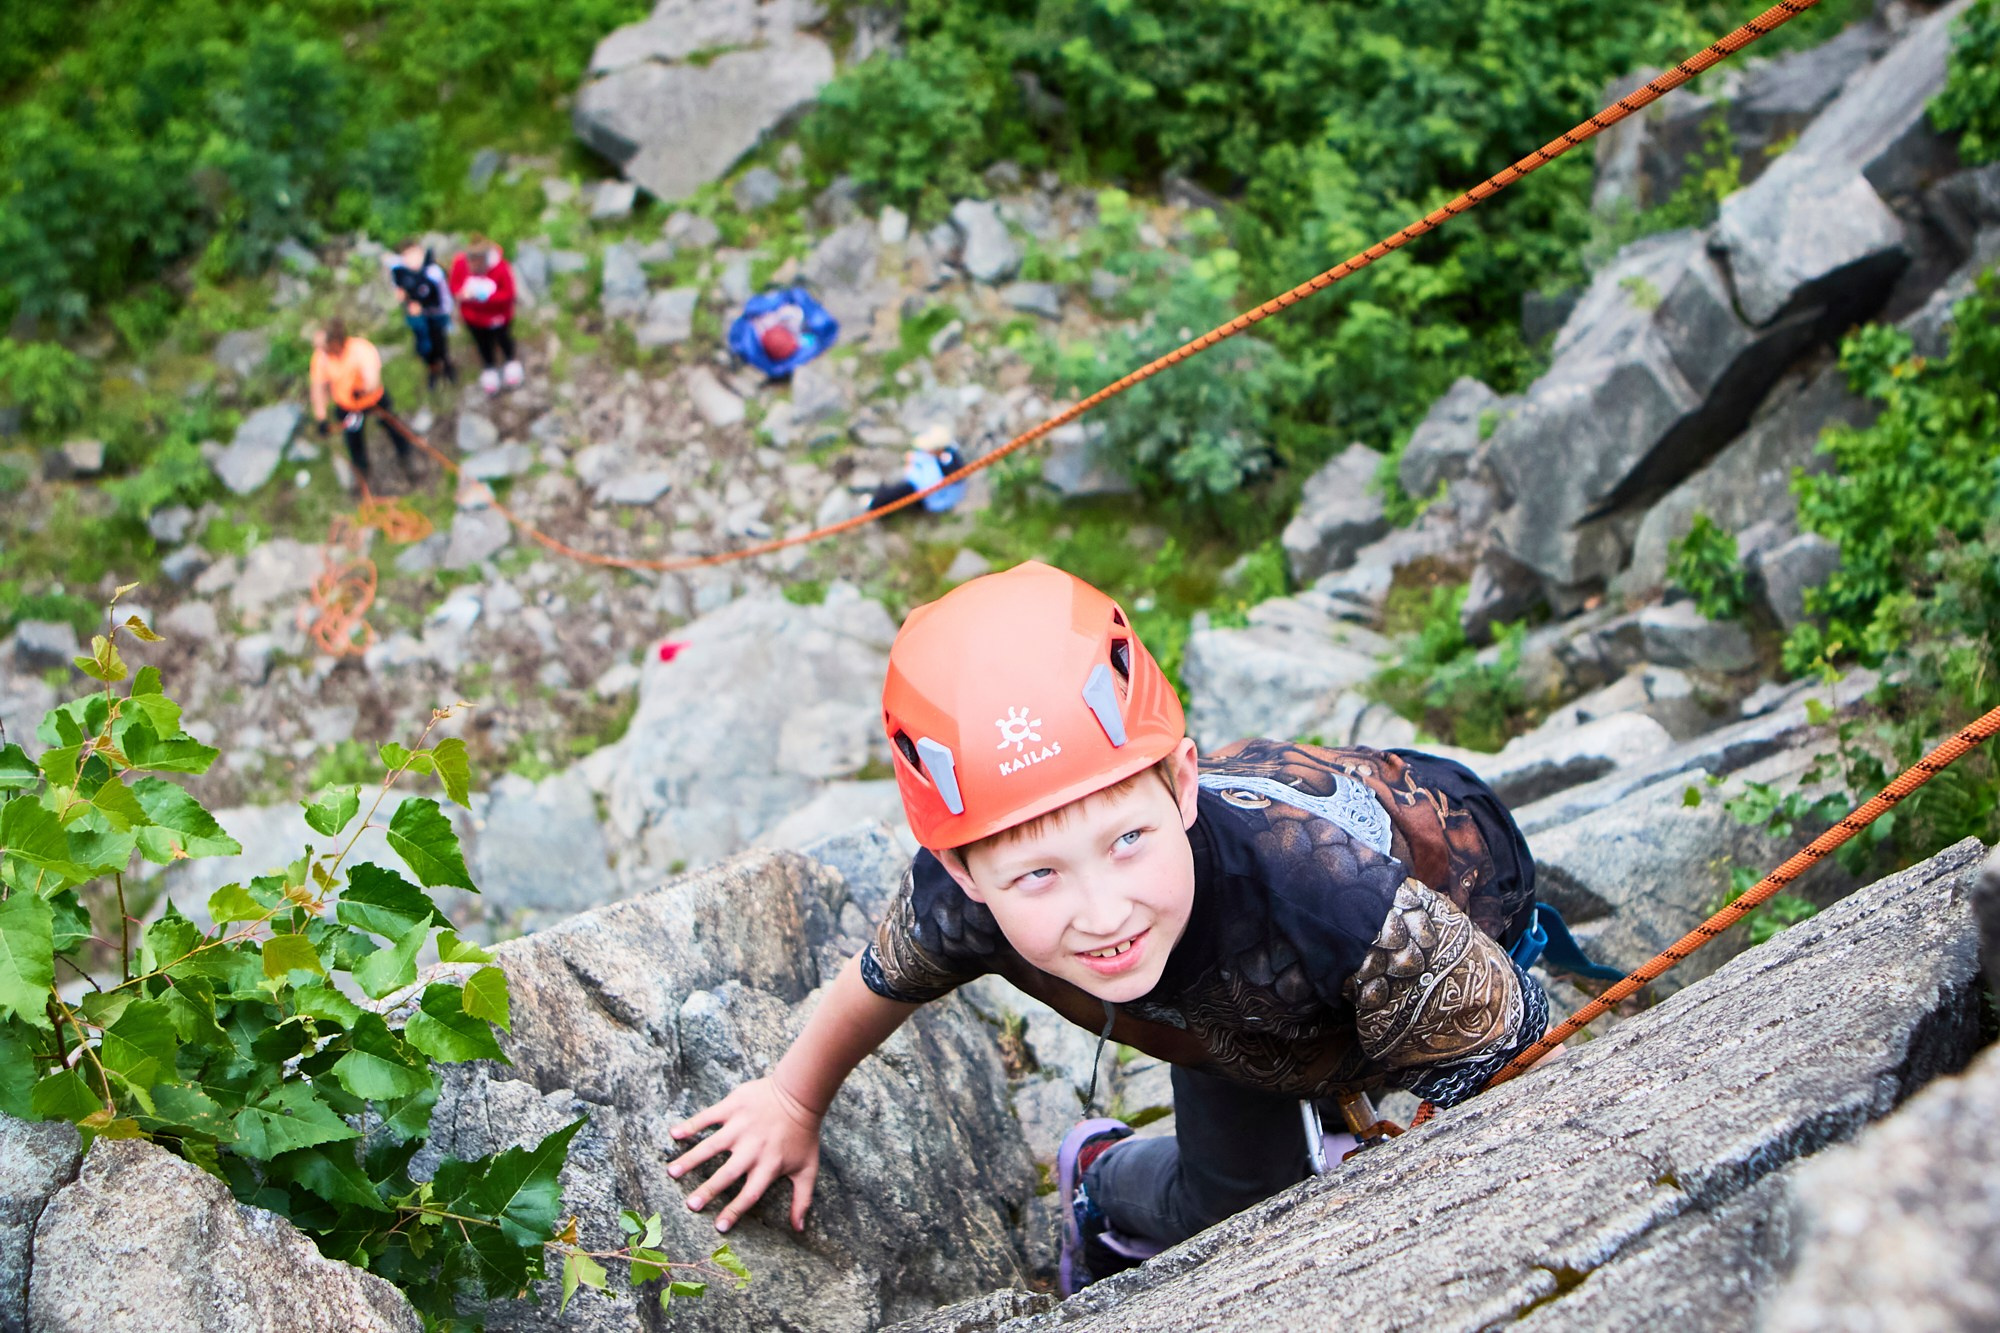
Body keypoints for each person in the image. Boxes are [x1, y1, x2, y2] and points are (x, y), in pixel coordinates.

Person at [667, 561, 1553, 1294]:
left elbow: (1520, 1073)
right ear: (966, 871)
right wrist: (791, 1100)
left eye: (1127, 840)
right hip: (1242, 1019)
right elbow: (878, 980)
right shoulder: (961, 896)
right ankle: (1098, 1179)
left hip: (1435, 915)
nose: (1102, 914)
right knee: (1235, 1206)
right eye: (1039, 874)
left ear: (1181, 783)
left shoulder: (1332, 898)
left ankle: (1333, 1104)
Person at [308, 318, 419, 491]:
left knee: (393, 426)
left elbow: (372, 377)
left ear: (335, 341)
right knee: (354, 440)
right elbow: (318, 388)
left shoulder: (360, 350)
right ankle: (363, 475)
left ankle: (407, 456)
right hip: (348, 407)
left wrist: (363, 389)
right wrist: (321, 417)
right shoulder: (321, 358)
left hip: (373, 400)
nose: (320, 351)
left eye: (323, 346)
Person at [449, 235, 522, 396]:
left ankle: (510, 361)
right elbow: (454, 286)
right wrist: (462, 295)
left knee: (504, 339)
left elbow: (508, 294)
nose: (472, 266)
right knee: (482, 344)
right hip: (473, 318)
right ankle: (489, 367)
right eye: (470, 261)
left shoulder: (501, 268)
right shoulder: (460, 264)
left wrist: (485, 297)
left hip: (498, 318)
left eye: (476, 262)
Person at [387, 241, 457, 392]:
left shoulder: (433, 272)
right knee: (424, 346)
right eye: (407, 256)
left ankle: (447, 365)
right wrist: (403, 297)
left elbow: (444, 297)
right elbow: (399, 289)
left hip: (436, 315)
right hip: (418, 319)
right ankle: (433, 369)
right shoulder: (400, 273)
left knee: (440, 343)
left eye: (415, 254)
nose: (412, 259)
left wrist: (443, 314)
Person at [867, 424, 968, 513]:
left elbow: (926, 484)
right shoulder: (945, 455)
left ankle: (874, 505)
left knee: (901, 490)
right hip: (930, 494)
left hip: (935, 500)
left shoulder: (946, 463)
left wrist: (910, 467)